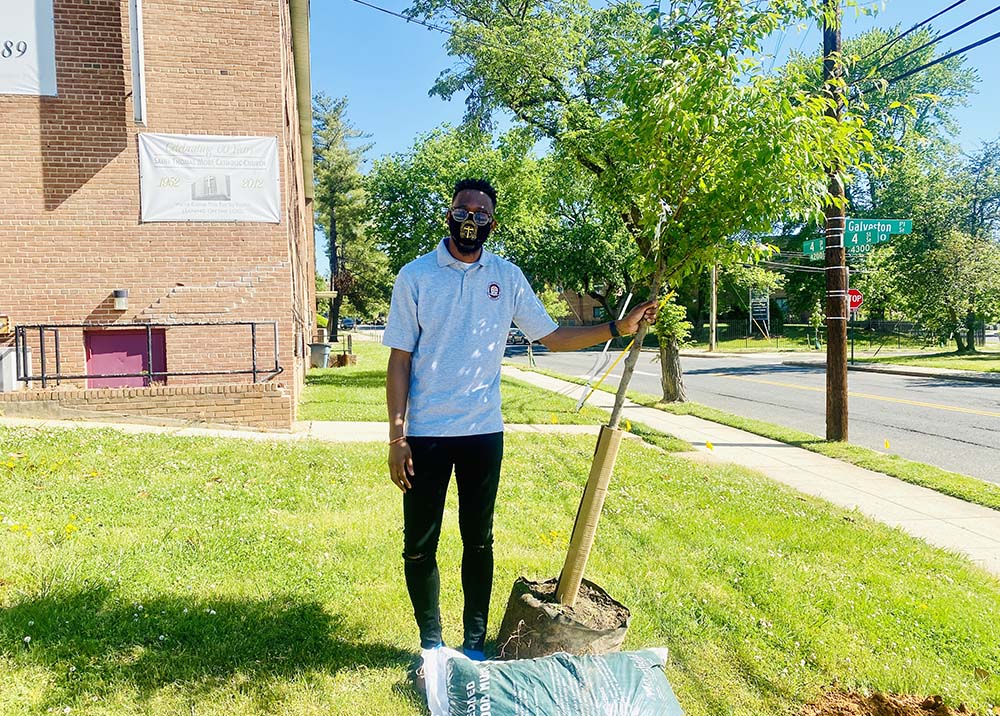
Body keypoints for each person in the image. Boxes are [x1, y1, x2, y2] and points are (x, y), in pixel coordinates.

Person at [382, 178, 657, 685]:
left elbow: (552, 336)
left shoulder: (506, 278)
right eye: (463, 208)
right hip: (425, 434)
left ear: (492, 222)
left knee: (477, 540)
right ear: (448, 214)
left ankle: (473, 643)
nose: (471, 217)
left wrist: (617, 327)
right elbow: (399, 361)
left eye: (481, 211)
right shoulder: (415, 276)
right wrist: (397, 437)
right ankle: (431, 644)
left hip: (482, 432)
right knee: (419, 544)